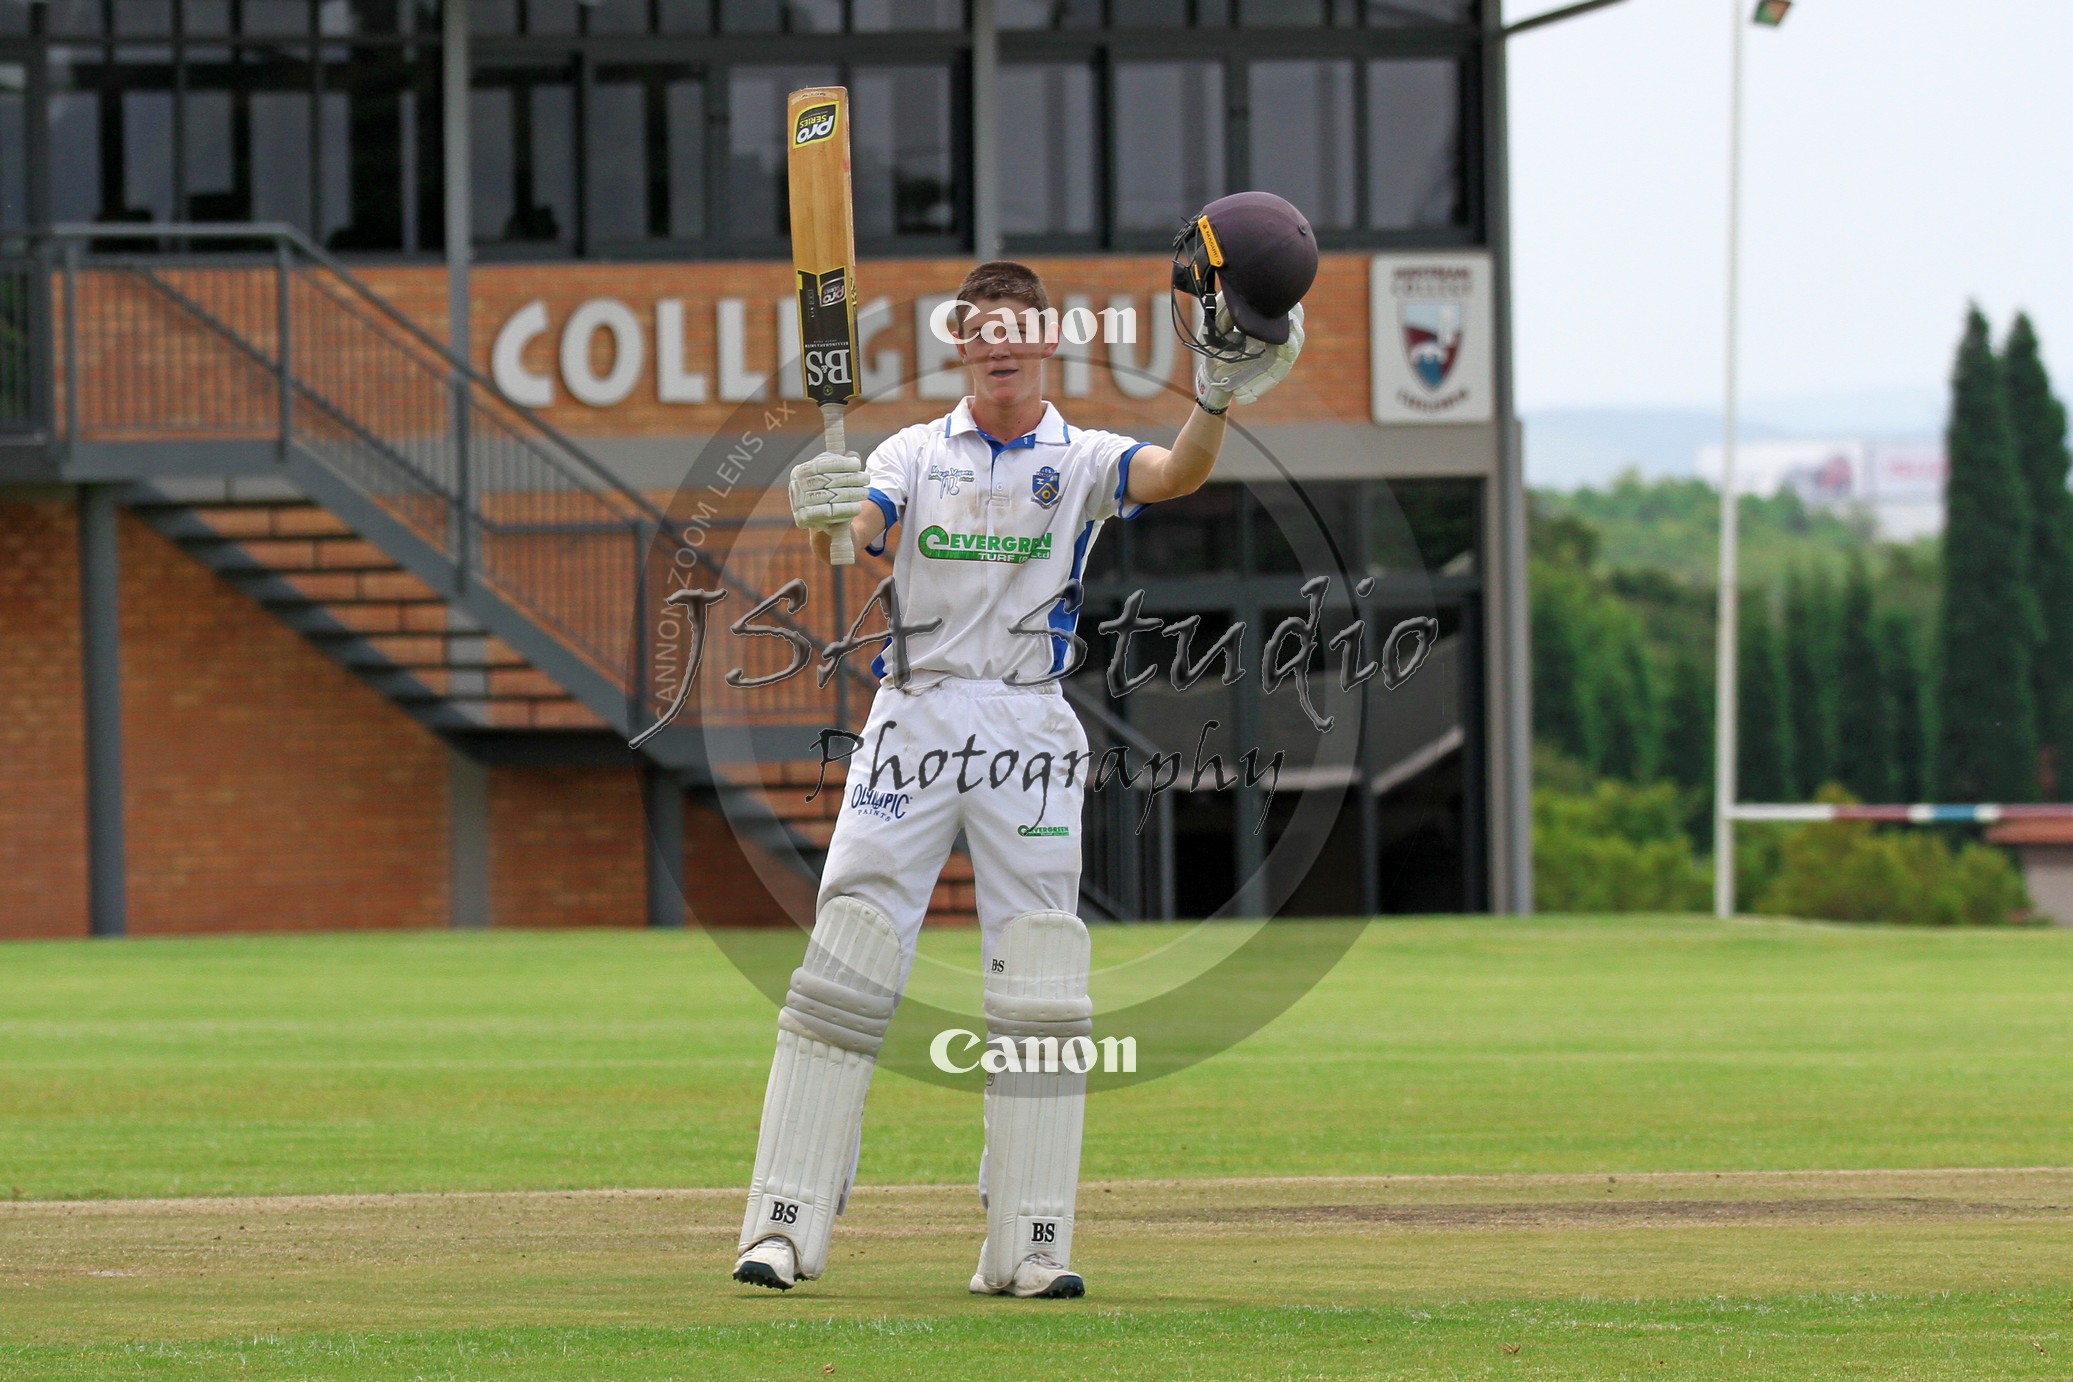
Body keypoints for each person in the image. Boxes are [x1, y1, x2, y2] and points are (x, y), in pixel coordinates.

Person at [734, 193, 1315, 1298]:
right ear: (961, 344)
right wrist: (826, 512)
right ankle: (783, 1224)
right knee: (848, 955)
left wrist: (1214, 399)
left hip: (1029, 722)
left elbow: (1177, 475)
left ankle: (1030, 1241)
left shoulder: (1083, 455)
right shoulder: (911, 450)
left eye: (1018, 331)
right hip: (914, 713)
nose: (999, 348)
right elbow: (862, 530)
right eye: (980, 332)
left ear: (1046, 343)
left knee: (1043, 975)